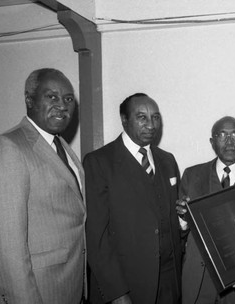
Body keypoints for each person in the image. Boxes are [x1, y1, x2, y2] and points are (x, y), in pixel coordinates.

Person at [0, 68, 86, 303]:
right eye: (52, 97)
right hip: (38, 290)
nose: (62, 105)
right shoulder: (9, 147)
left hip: (68, 286)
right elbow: (7, 249)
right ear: (29, 100)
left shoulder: (61, 145)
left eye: (67, 99)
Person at [84, 93, 182, 304]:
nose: (151, 124)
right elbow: (96, 237)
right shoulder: (99, 162)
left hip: (168, 282)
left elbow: (170, 219)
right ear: (124, 119)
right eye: (142, 117)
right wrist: (117, 293)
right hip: (126, 285)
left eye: (155, 117)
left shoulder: (167, 160)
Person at [176, 116, 235, 304]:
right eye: (222, 135)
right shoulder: (192, 175)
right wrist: (182, 220)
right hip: (198, 281)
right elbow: (179, 233)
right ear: (212, 142)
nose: (229, 141)